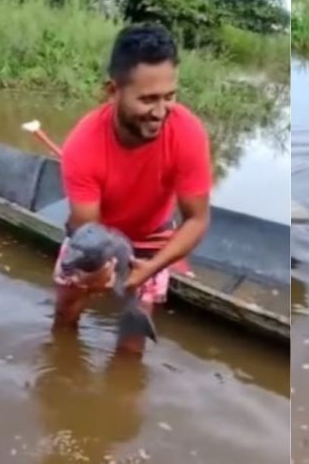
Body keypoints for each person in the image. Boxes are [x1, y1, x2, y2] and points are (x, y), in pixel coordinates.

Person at [51, 23, 212, 356]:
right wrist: (94, 273)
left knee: (131, 343)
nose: (160, 111)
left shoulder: (188, 133)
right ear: (113, 91)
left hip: (153, 237)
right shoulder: (83, 145)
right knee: (66, 311)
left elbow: (196, 220)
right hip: (96, 238)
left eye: (170, 96)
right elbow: (86, 231)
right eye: (148, 99)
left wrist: (152, 268)